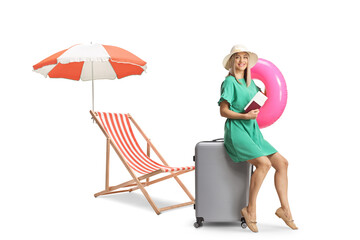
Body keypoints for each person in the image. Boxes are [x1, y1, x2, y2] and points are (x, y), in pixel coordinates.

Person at [218, 44, 298, 232]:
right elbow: (223, 111)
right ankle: (250, 209)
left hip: (253, 131)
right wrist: (245, 116)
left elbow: (257, 100)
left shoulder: (250, 83)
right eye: (237, 57)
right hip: (236, 130)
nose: (242, 61)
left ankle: (285, 210)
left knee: (282, 163)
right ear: (232, 61)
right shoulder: (229, 82)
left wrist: (262, 97)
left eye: (245, 57)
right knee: (264, 164)